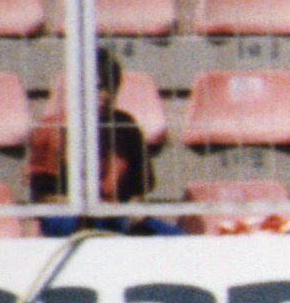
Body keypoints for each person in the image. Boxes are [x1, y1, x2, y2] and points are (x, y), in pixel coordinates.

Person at [25, 49, 180, 236]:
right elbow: (40, 198)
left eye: (111, 87)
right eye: (98, 87)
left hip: (115, 215)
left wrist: (132, 208)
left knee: (176, 239)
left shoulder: (126, 126)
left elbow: (138, 188)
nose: (105, 95)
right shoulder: (53, 129)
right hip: (68, 216)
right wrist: (85, 207)